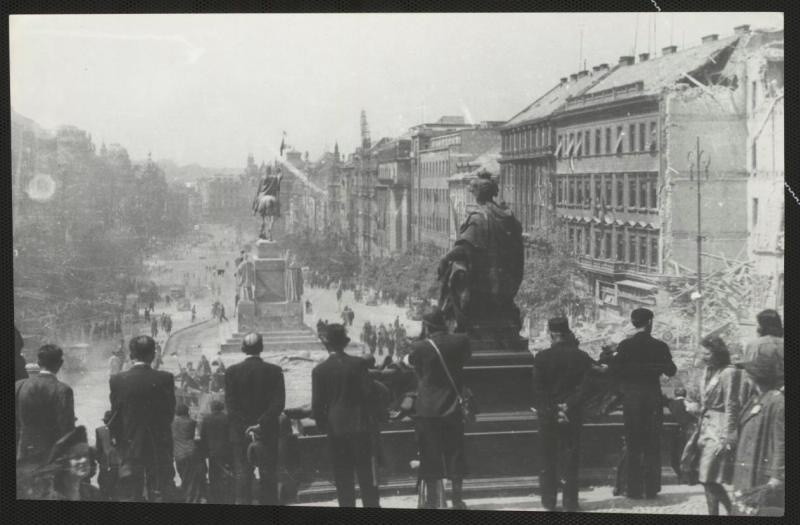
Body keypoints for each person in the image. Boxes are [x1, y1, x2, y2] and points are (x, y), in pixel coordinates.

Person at [607, 308, 676, 499]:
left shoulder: (625, 346)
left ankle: (633, 489)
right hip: (652, 398)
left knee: (633, 442)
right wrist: (656, 367)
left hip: (632, 399)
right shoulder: (660, 346)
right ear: (650, 322)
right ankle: (651, 488)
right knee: (652, 443)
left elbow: (614, 370)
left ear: (633, 323)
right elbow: (671, 370)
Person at [404, 309, 471, 509]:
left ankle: (432, 502)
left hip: (428, 410)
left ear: (426, 326)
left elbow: (411, 364)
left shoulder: (419, 347)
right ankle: (457, 500)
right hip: (452, 407)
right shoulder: (461, 341)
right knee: (455, 454)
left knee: (429, 455)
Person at [530, 317, 597, 512]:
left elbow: (538, 390)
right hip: (572, 413)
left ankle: (549, 501)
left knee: (547, 457)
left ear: (551, 334)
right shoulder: (582, 357)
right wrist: (567, 406)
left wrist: (553, 408)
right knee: (571, 457)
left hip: (547, 415)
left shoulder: (541, 358)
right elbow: (585, 388)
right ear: (567, 334)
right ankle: (570, 502)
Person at [311, 324, 380, 508]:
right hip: (361, 427)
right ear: (344, 343)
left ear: (327, 345)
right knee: (366, 477)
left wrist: (325, 426)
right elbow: (369, 395)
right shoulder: (358, 364)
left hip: (336, 431)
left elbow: (317, 408)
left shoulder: (319, 371)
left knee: (343, 479)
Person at [680, 336, 751, 515]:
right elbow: (703, 399)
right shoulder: (706, 371)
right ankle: (723, 513)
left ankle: (729, 512)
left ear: (718, 353)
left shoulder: (729, 372)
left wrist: (728, 436)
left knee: (708, 476)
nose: (704, 356)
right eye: (702, 353)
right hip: (704, 428)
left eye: (708, 353)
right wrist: (694, 407)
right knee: (706, 478)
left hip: (719, 429)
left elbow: (731, 405)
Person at [109, 335, 176, 502]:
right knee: (159, 489)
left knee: (132, 491)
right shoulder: (165, 378)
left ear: (131, 356)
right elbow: (169, 413)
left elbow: (115, 414)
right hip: (158, 444)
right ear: (153, 355)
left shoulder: (117, 380)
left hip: (130, 444)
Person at [224, 332, 286, 505]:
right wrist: (260, 425)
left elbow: (231, 406)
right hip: (267, 433)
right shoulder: (274, 371)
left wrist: (247, 427)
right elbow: (278, 404)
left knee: (243, 477)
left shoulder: (231, 372)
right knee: (268, 476)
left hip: (240, 433)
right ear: (262, 348)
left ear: (243, 349)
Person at [16, 344, 76, 498]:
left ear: (38, 362)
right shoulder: (63, 389)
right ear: (60, 364)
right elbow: (67, 430)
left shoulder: (20, 386)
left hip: (24, 453)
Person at [732, 350, 784, 516]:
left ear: (756, 375)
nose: (745, 377)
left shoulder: (778, 402)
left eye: (747, 373)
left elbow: (782, 443)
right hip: (747, 469)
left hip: (761, 473)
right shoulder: (756, 398)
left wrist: (777, 477)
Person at [199, 400, 235, 504]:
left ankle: (214, 499)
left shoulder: (206, 419)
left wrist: (204, 451)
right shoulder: (227, 418)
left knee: (214, 475)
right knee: (226, 475)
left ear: (211, 408)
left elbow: (203, 436)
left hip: (212, 452)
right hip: (226, 451)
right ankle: (227, 498)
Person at [741, 309, 783, 387]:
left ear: (762, 326)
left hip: (762, 392)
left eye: (758, 324)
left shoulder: (753, 345)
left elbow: (749, 375)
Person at [95, 410, 120, 501]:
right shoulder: (122, 431)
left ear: (105, 421)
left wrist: (101, 460)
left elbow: (98, 452)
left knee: (104, 494)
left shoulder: (99, 431)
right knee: (116, 494)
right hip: (118, 466)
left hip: (105, 467)